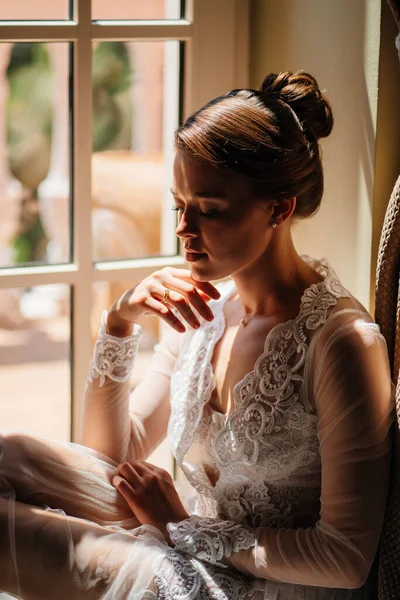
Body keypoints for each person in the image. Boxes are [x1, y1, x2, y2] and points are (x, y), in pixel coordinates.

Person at [0, 71, 394, 600]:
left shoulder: (342, 343)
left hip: (266, 587)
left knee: (15, 539)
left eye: (208, 210)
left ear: (279, 208)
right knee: (9, 455)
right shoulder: (205, 313)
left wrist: (182, 528)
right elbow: (112, 457)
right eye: (177, 205)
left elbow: (345, 559)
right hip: (185, 540)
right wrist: (119, 323)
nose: (184, 229)